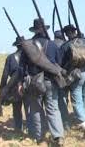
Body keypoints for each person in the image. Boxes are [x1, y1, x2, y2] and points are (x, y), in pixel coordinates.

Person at [20, 18, 64, 146]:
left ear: (34, 30)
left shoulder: (28, 45)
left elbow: (22, 66)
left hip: (34, 82)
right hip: (50, 80)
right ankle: (58, 136)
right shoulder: (52, 44)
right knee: (53, 109)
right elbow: (58, 63)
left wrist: (22, 82)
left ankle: (40, 137)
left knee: (36, 109)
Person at [60, 24, 85, 139]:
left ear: (67, 33)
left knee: (76, 100)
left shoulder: (66, 45)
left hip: (75, 75)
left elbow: (61, 63)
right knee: (83, 98)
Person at [0, 37, 31, 132]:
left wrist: (3, 89)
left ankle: (18, 128)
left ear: (16, 46)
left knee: (16, 109)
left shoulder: (10, 57)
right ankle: (31, 128)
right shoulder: (29, 56)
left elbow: (5, 75)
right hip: (27, 84)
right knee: (29, 108)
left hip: (14, 86)